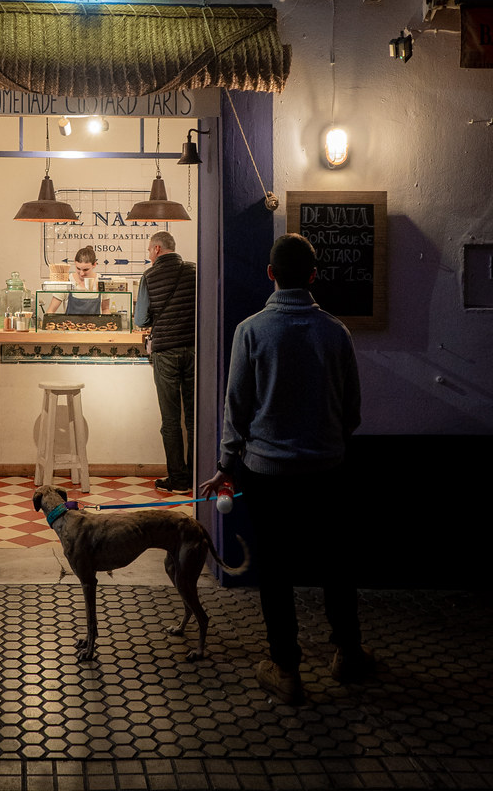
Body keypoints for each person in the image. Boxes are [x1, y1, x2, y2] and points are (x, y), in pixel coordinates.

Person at [201, 233, 374, 706]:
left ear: (271, 274)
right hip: (327, 469)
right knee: (337, 562)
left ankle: (287, 670)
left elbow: (237, 409)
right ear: (314, 276)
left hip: (267, 473)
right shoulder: (335, 332)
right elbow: (352, 410)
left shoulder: (251, 331)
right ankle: (348, 654)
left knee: (275, 570)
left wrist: (224, 466)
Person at [134, 230, 197, 495]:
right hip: (195, 350)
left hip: (166, 352)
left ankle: (178, 479)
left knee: (171, 420)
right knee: (194, 418)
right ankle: (197, 475)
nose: (149, 256)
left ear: (157, 249)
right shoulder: (194, 270)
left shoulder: (149, 276)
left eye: (149, 251)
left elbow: (141, 320)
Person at [47, 245, 110, 316]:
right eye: (78, 268)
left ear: (94, 264)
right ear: (74, 262)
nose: (81, 273)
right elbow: (51, 310)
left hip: (94, 326)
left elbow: (105, 309)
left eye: (86, 270)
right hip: (70, 326)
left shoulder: (101, 281)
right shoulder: (67, 281)